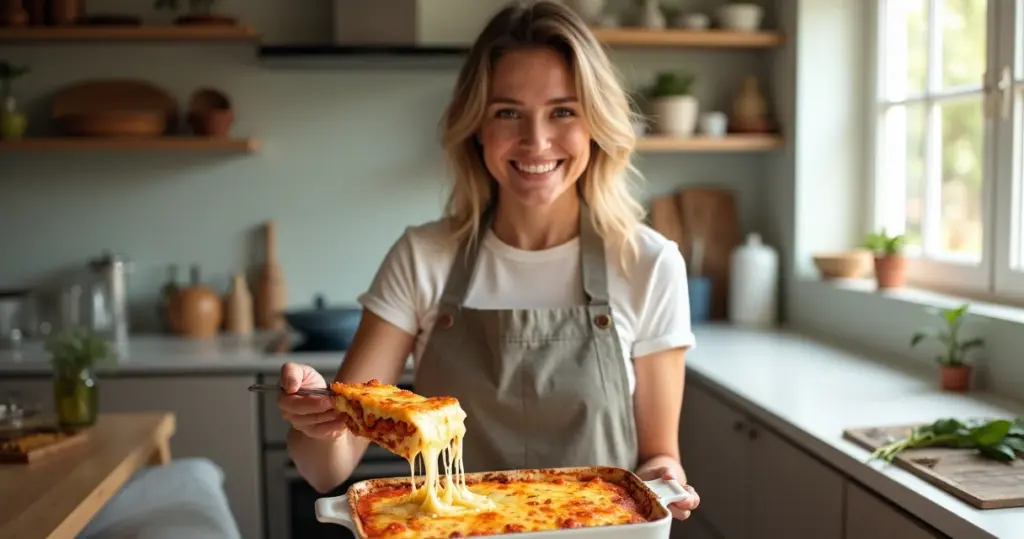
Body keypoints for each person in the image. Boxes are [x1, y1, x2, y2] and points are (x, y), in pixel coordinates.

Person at [277, 0, 701, 522]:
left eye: (563, 111)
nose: (536, 140)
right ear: (477, 126)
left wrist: (667, 483)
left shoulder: (649, 263)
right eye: (508, 113)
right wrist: (317, 418)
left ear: (595, 123)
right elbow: (326, 469)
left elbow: (660, 456)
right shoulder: (423, 257)